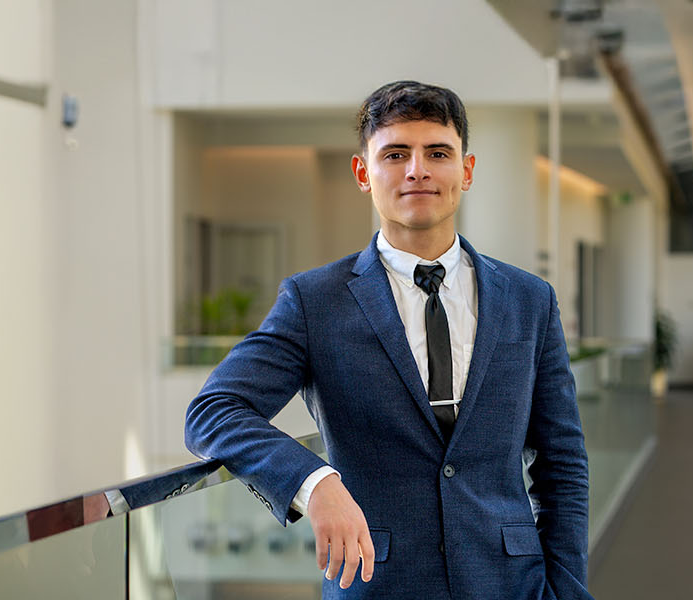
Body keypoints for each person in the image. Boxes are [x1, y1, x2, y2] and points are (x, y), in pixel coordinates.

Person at [184, 80, 592, 600]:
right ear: (364, 173)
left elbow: (563, 466)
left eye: (437, 153)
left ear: (466, 172)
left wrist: (569, 593)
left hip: (513, 585)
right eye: (395, 153)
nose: (417, 170)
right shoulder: (315, 302)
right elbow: (214, 410)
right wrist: (316, 484)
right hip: (378, 586)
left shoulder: (530, 300)